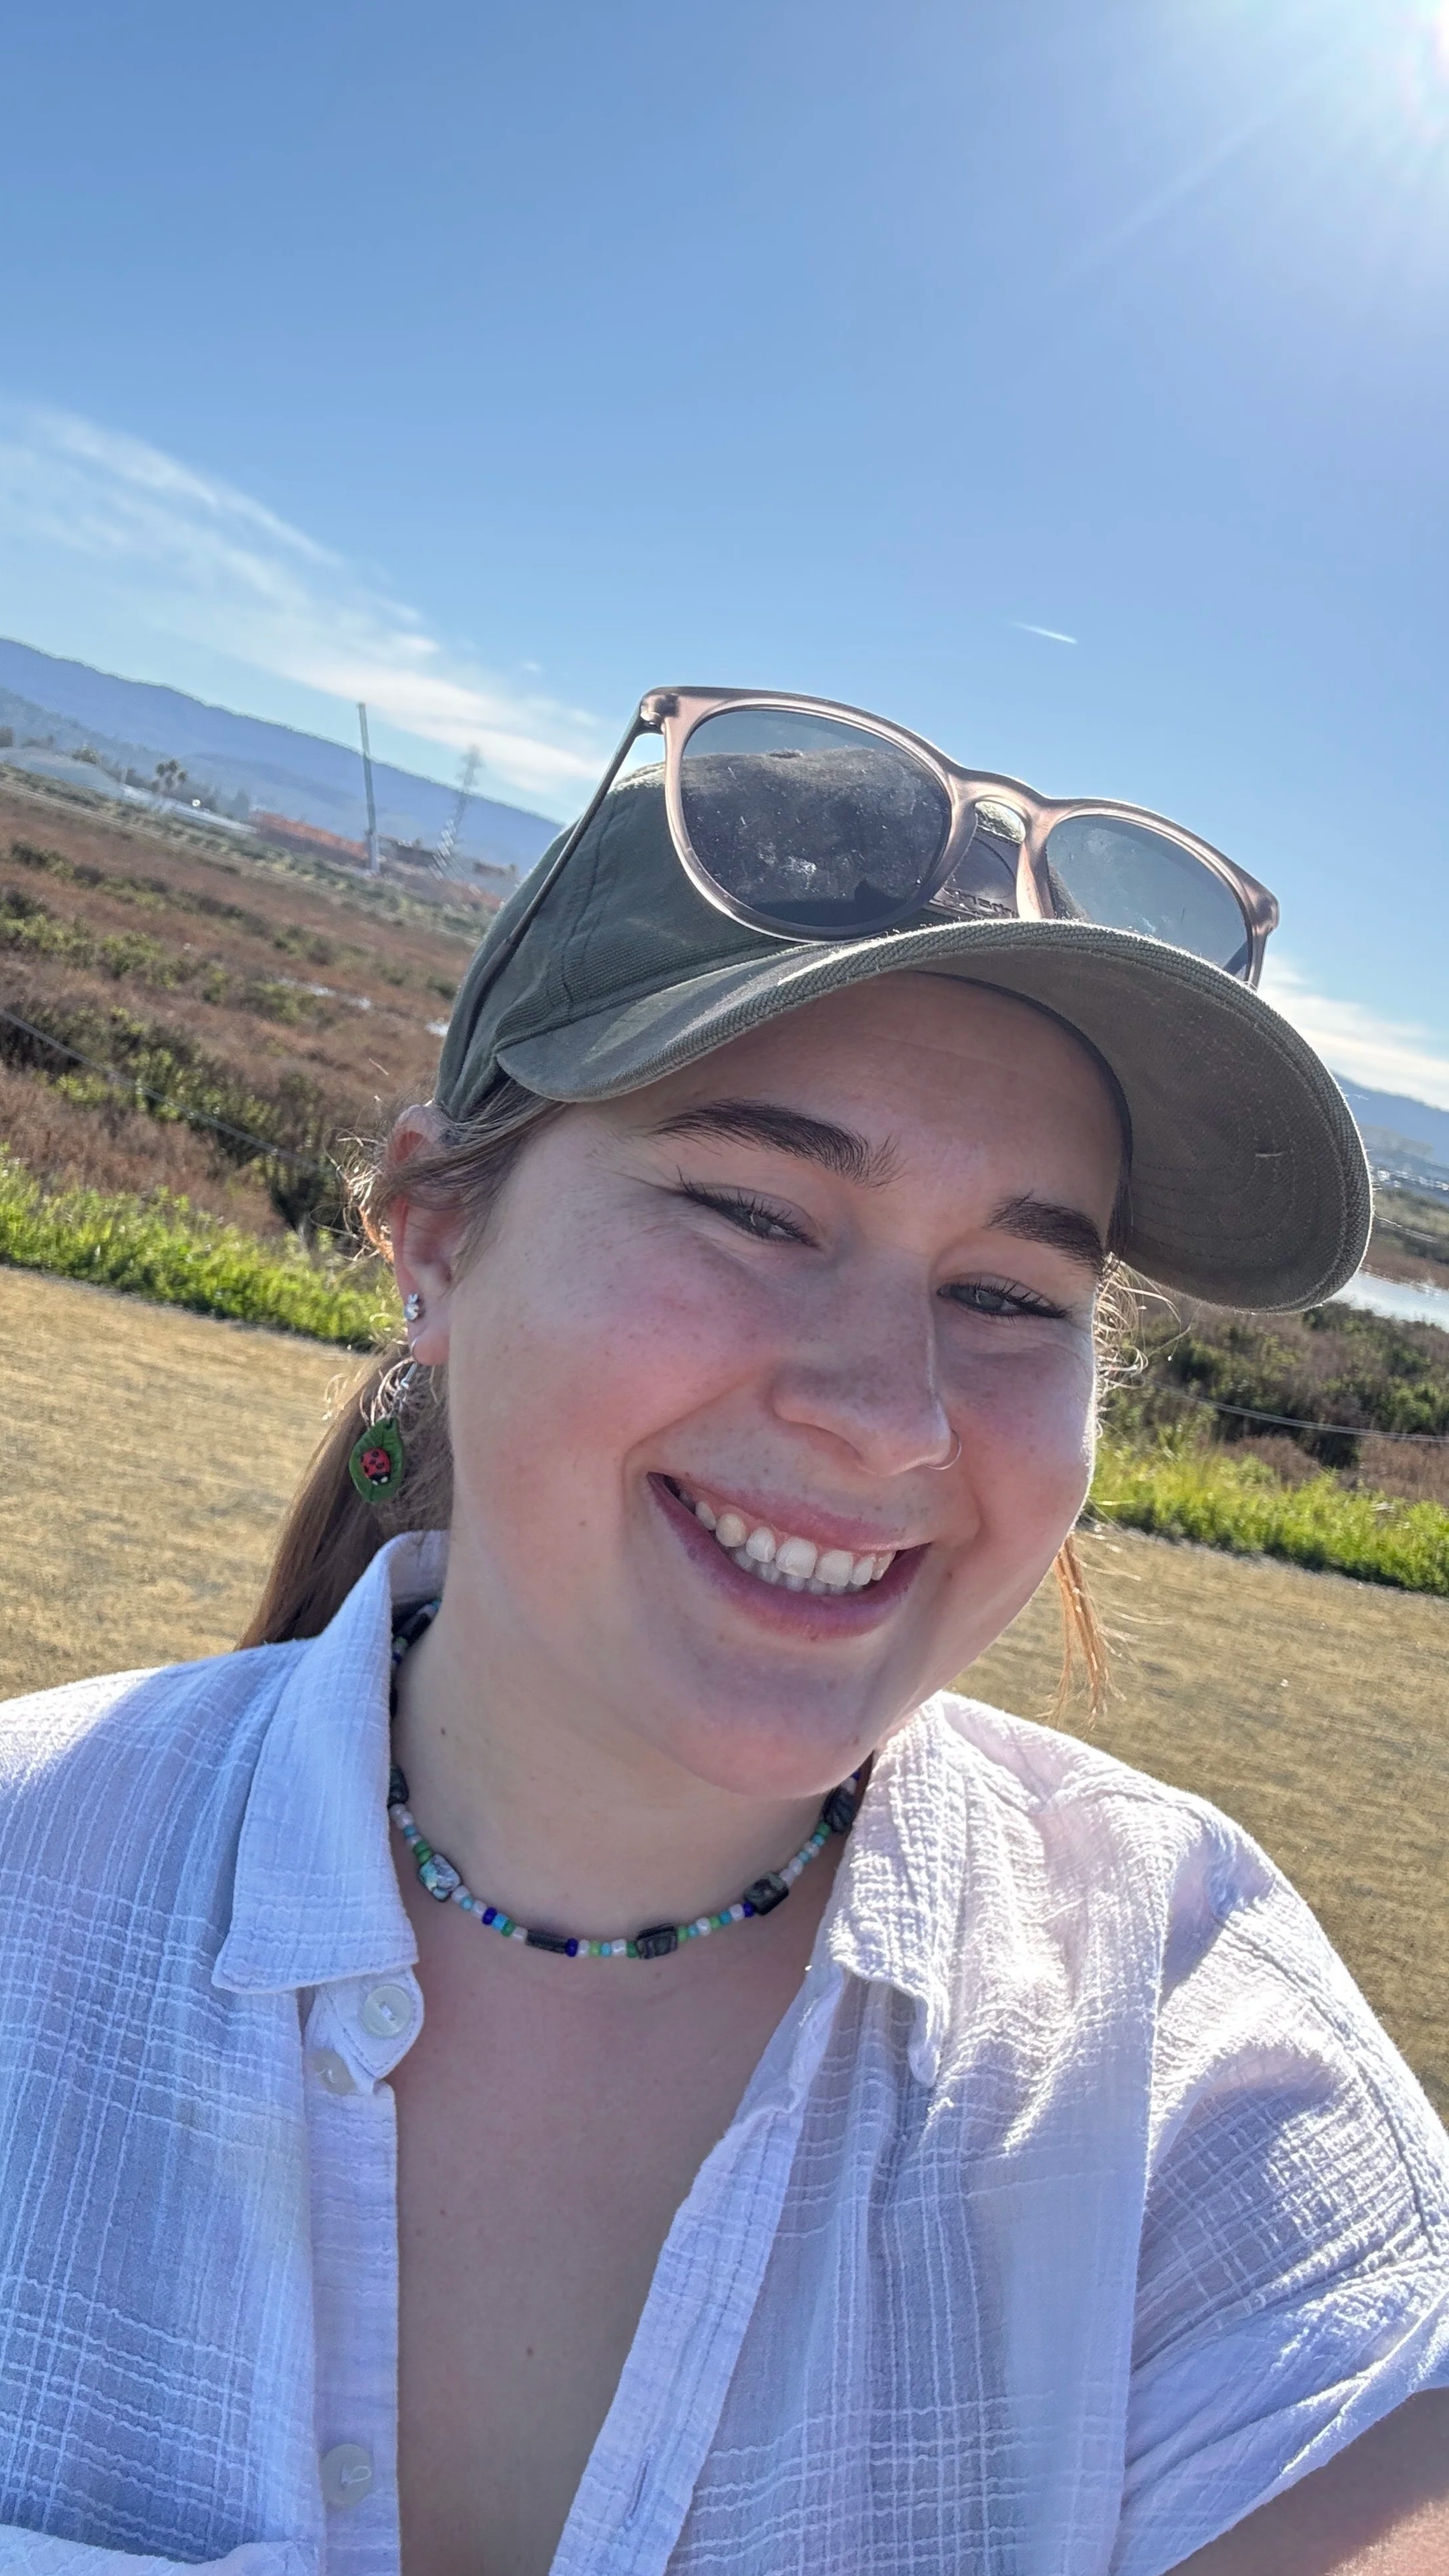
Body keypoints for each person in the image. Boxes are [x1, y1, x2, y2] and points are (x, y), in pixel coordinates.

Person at [0, 686, 1445, 2576]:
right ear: (435, 1235)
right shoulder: (35, 1881)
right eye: (752, 1208)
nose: (894, 1411)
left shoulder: (1182, 2071)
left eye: (1011, 1292)